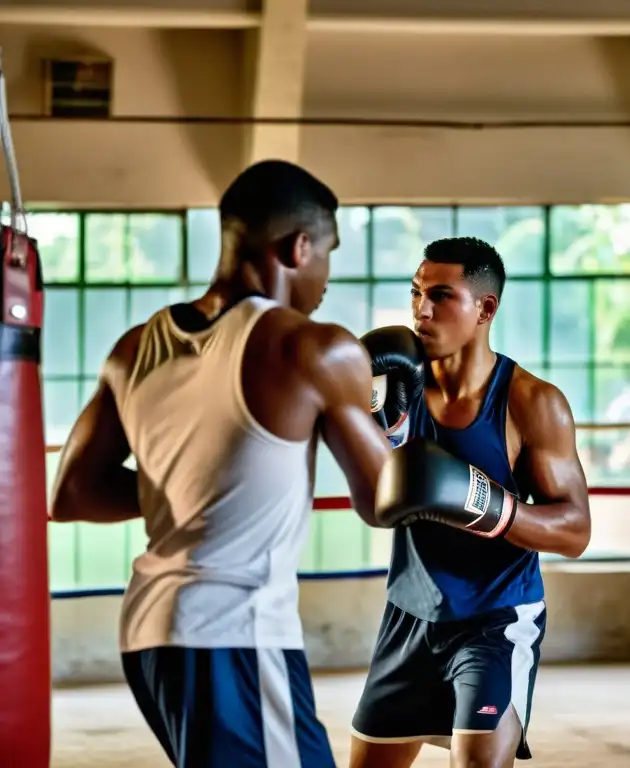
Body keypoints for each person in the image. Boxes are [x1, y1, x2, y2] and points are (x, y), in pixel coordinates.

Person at [49, 159, 395, 766]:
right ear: (299, 246)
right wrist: (394, 419)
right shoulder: (314, 347)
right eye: (328, 255)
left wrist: (197, 486)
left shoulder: (135, 348)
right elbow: (385, 498)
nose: (327, 278)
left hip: (149, 635)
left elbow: (72, 492)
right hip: (233, 631)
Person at [349, 237, 592, 768]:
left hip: (495, 617)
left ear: (486, 308)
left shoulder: (532, 403)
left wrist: (483, 502)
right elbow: (374, 504)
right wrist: (380, 432)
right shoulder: (393, 387)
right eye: (415, 293)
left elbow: (574, 532)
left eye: (441, 295)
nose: (422, 309)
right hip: (409, 614)